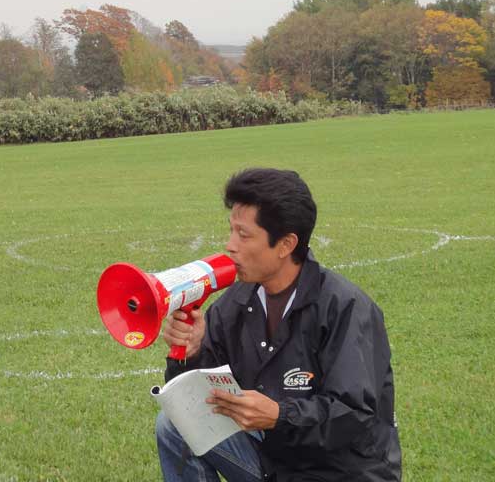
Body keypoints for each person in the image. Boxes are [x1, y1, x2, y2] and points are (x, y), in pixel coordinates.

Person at [155, 168, 402, 482]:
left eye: (243, 235)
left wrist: (279, 415)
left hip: (342, 471)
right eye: (231, 231)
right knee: (175, 424)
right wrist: (192, 353)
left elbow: (355, 416)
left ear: (286, 244)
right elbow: (198, 400)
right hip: (275, 463)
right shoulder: (235, 302)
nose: (230, 245)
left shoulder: (345, 307)